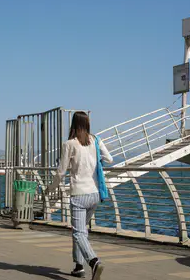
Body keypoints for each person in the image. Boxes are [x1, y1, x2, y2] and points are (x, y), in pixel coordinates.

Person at [46, 111, 113, 280]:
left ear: (74, 124)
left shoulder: (69, 144)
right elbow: (109, 159)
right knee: (82, 231)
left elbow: (61, 172)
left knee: (78, 233)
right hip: (95, 194)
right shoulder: (96, 140)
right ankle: (78, 266)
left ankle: (94, 262)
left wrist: (50, 188)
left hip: (79, 196)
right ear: (88, 123)